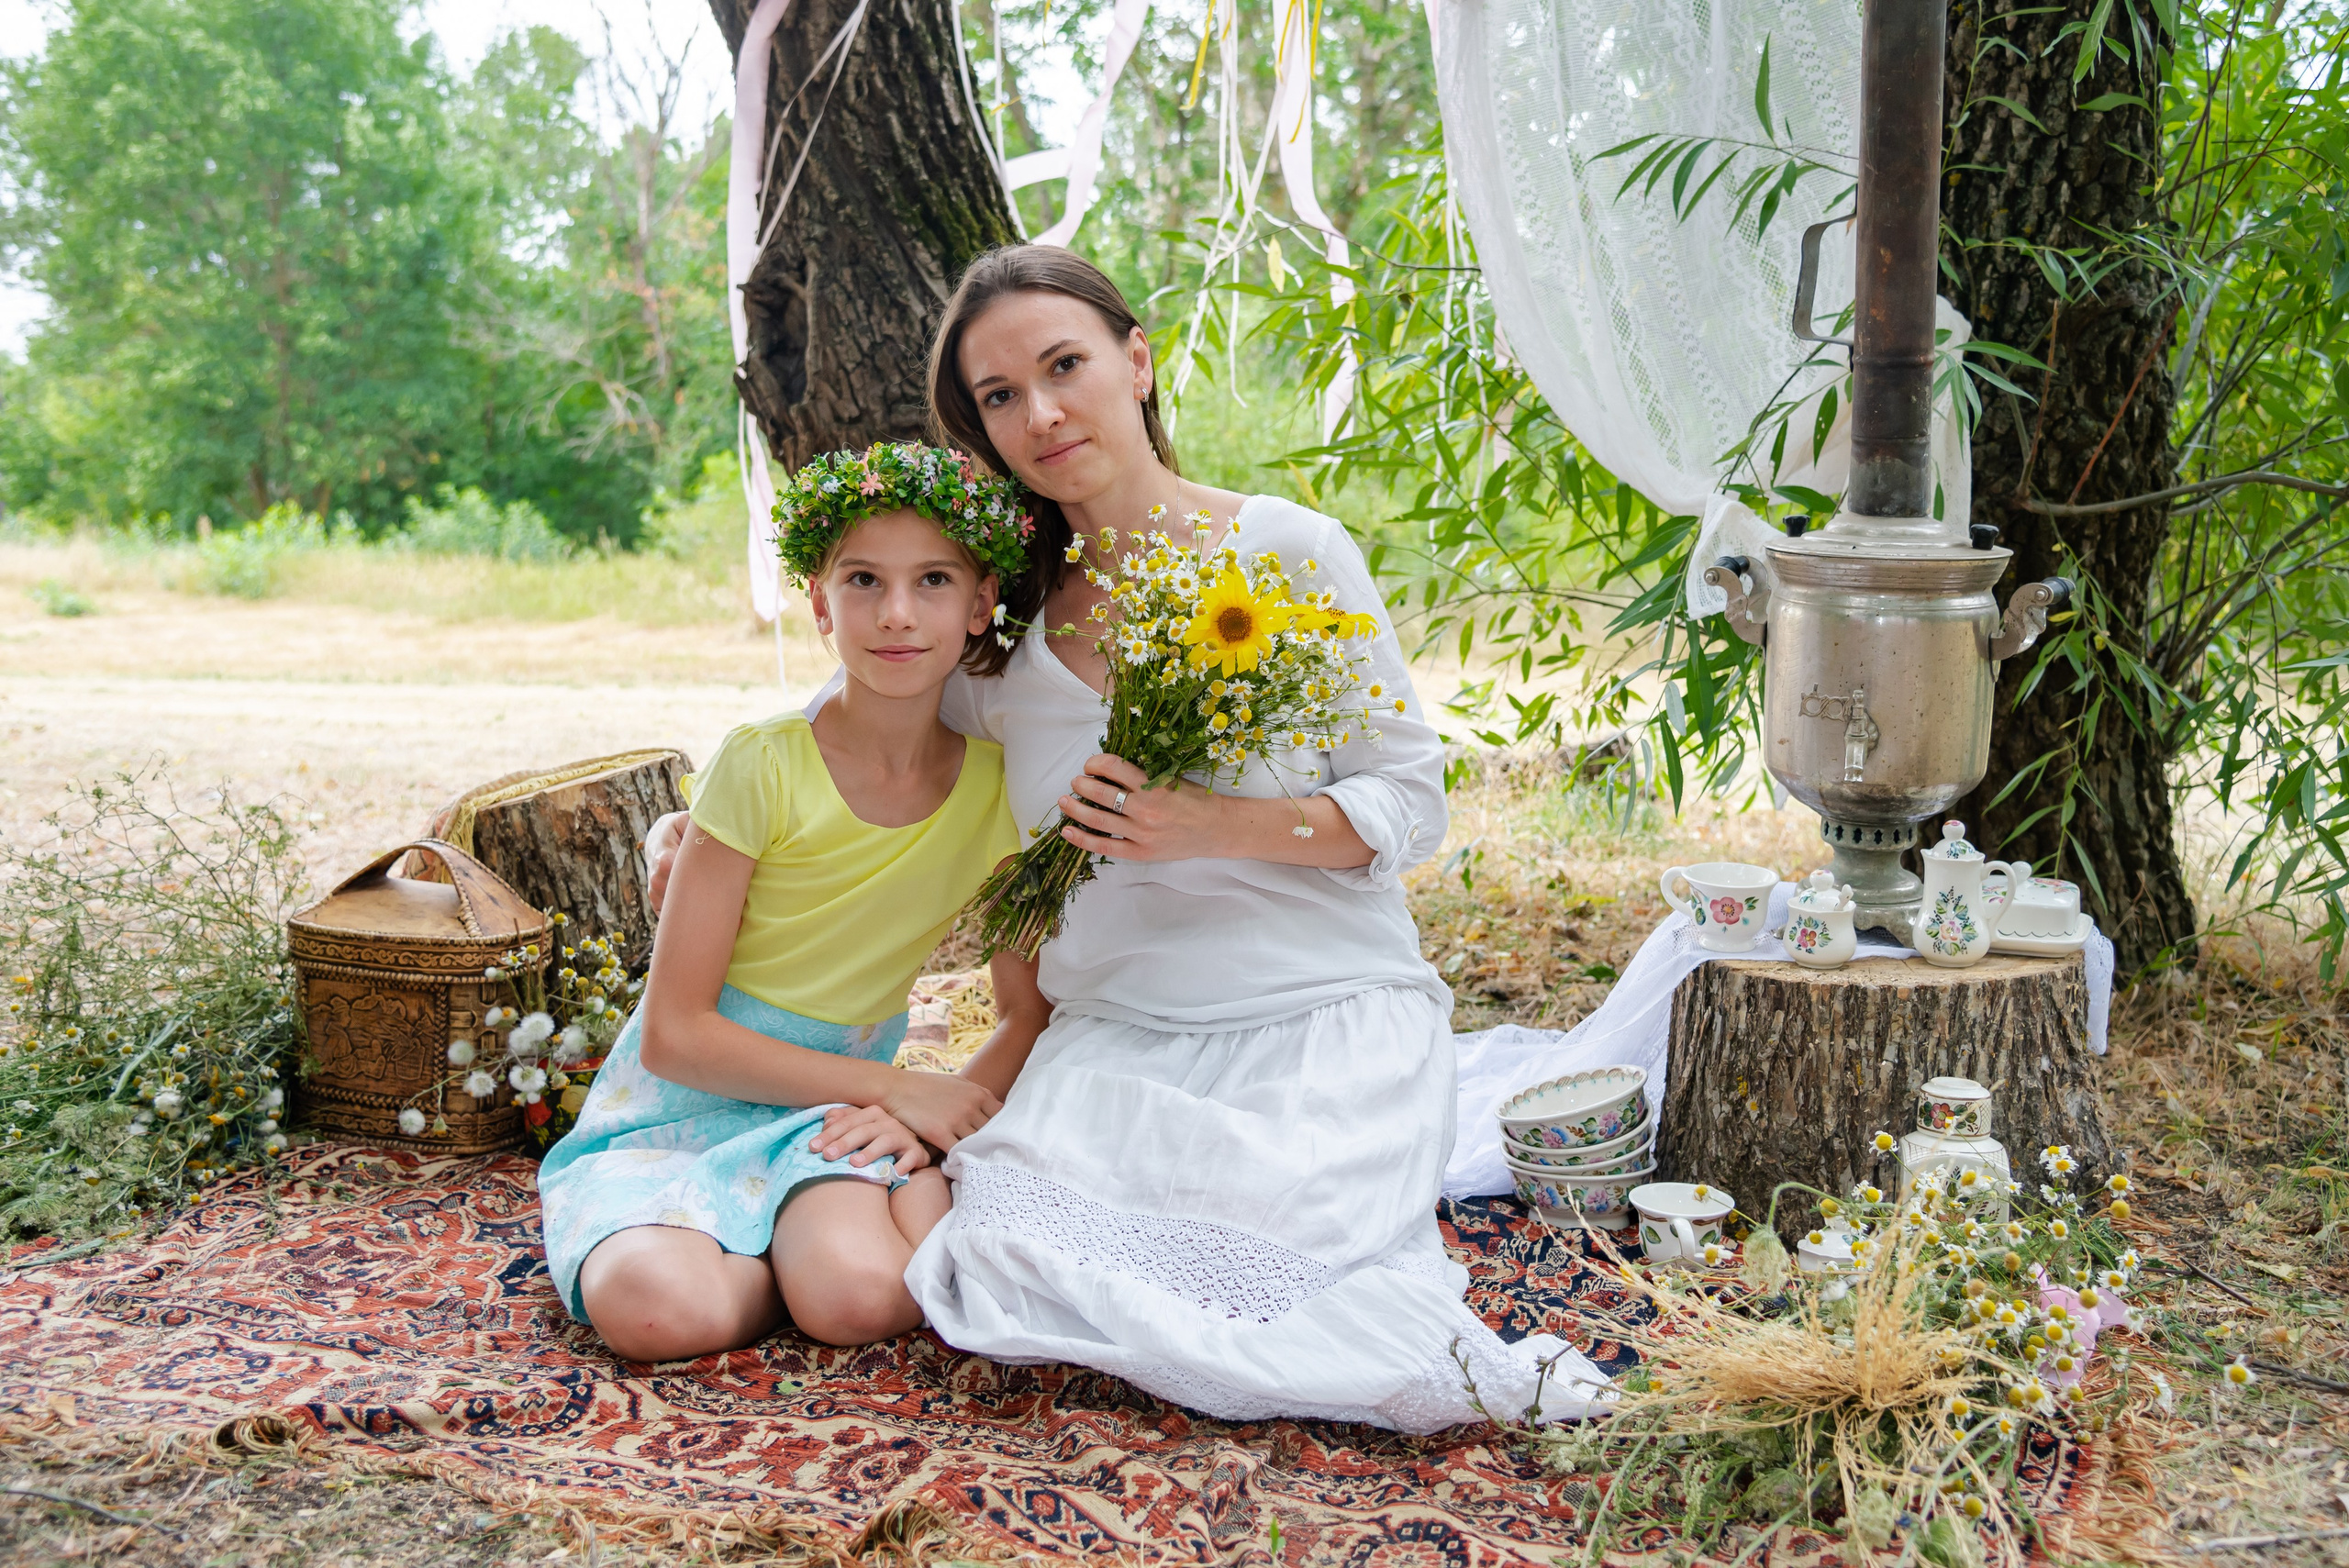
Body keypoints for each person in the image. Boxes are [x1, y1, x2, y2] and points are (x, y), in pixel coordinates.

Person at [654, 249, 1605, 1429]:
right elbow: (865, 713)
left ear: (1137, 360)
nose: (1042, 413)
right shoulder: (1003, 629)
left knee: (1272, 1306)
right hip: (1113, 1035)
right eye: (1001, 395)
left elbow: (1411, 801)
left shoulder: (1287, 552)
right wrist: (700, 818)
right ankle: (727, 1246)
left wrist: (1216, 822)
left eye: (1065, 366)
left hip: (1315, 1016)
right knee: (1006, 1262)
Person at [539, 444, 1050, 1362]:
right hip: (684, 1099)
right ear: (819, 603)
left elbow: (1027, 1009)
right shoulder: (761, 763)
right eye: (864, 580)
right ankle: (769, 1252)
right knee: (653, 1309)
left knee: (857, 1299)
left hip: (828, 1112)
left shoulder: (999, 789)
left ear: (981, 604)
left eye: (933, 580)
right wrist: (896, 1085)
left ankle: (821, 1238)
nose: (897, 613)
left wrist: (922, 1114)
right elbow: (675, 1034)